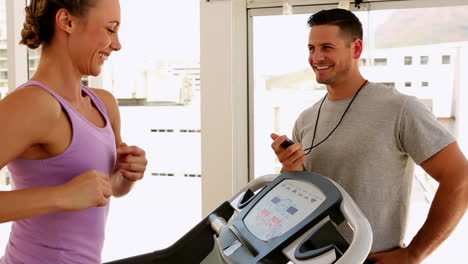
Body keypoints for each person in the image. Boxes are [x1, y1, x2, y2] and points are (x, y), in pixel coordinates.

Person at [270, 8, 468, 264]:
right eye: (311, 48)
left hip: (372, 258)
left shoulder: (400, 109)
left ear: (356, 49)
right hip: (310, 257)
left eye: (327, 47)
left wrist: (415, 253)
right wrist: (289, 169)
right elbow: (296, 196)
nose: (316, 57)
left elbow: (459, 178)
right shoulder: (306, 118)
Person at [0, 0, 147, 263]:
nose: (117, 44)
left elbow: (102, 191)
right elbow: (73, 195)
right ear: (67, 22)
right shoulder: (33, 104)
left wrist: (125, 176)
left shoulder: (104, 104)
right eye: (110, 29)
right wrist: (61, 196)